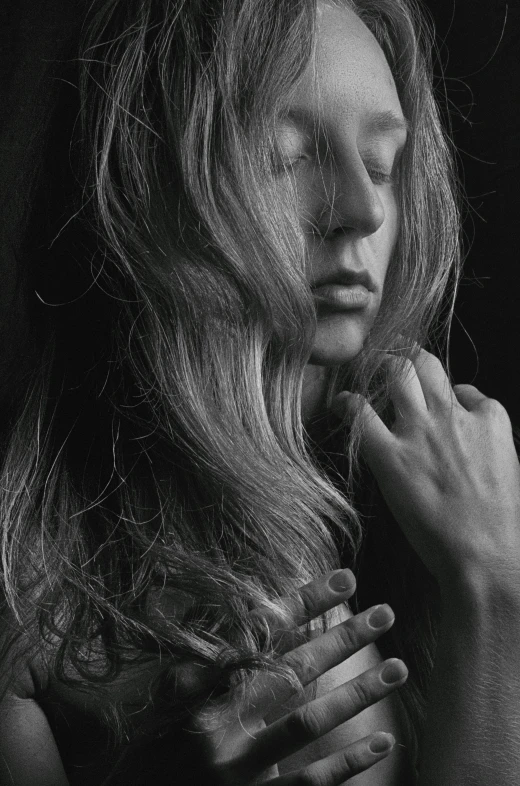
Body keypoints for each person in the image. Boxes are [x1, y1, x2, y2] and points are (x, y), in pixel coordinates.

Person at [0, 0, 519, 784]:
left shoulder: (451, 509)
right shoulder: (30, 602)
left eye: (382, 164)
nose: (364, 208)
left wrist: (489, 582)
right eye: (287, 158)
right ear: (144, 187)